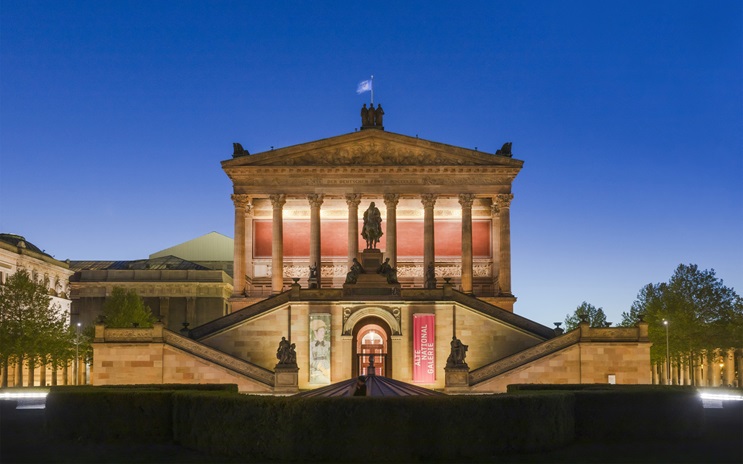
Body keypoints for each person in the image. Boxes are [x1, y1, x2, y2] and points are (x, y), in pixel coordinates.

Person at [310, 318, 330, 383]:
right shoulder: (311, 345)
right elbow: (310, 360)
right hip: (317, 370)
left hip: (328, 368)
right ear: (315, 332)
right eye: (321, 331)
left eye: (324, 331)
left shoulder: (328, 344)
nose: (323, 333)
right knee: (324, 381)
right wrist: (322, 369)